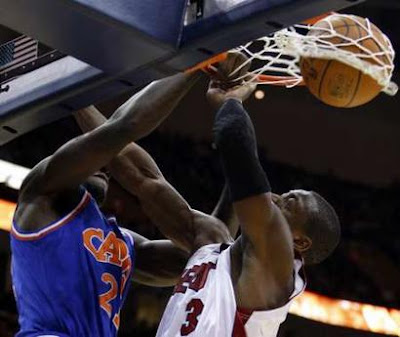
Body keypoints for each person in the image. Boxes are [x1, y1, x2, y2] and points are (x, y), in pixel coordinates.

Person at [10, 71, 235, 337]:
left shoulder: (123, 244)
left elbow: (212, 255)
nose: (106, 165)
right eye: (97, 157)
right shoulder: (41, 192)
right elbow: (124, 127)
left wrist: (241, 158)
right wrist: (198, 62)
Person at [152, 64, 341, 336]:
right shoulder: (212, 248)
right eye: (283, 195)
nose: (275, 199)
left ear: (299, 242)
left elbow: (237, 151)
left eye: (288, 204)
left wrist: (230, 100)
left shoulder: (277, 266)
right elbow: (144, 179)